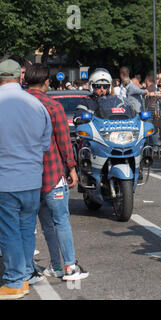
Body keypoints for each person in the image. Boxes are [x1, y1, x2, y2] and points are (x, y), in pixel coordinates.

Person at [25, 63, 89, 282]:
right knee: (60, 220)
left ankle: (53, 265)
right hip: (52, 173)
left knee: (42, 225)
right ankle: (69, 266)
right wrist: (72, 168)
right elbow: (63, 141)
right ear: (46, 82)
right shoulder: (53, 106)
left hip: (28, 177)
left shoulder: (20, 105)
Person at [0, 59, 52, 299]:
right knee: (25, 229)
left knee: (9, 231)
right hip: (32, 178)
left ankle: (13, 281)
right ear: (20, 78)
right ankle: (23, 276)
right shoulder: (36, 104)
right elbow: (44, 144)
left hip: (6, 179)